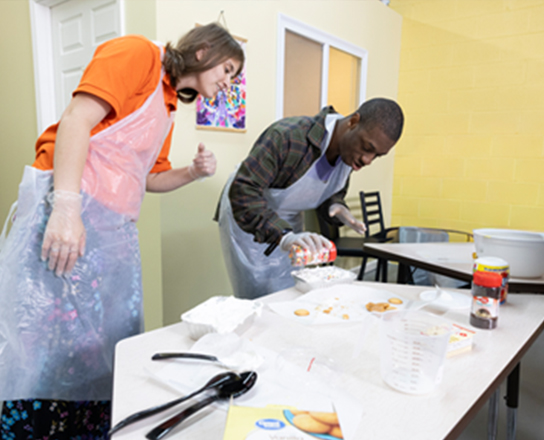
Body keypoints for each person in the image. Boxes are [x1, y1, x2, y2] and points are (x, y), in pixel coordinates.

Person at [0, 23, 244, 439]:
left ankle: (90, 430)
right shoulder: (138, 54)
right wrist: (66, 208)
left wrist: (192, 172)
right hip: (68, 214)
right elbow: (76, 120)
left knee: (98, 348)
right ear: (204, 51)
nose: (228, 83)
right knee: (45, 341)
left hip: (110, 233)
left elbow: (147, 178)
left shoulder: (168, 106)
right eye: (228, 70)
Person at [216, 98, 403, 299]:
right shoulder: (288, 136)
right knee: (261, 296)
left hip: (289, 220)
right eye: (367, 148)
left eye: (377, 156)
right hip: (249, 215)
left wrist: (336, 205)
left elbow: (327, 190)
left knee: (292, 290)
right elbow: (244, 190)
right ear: (353, 122)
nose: (367, 160)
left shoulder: (349, 154)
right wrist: (283, 235)